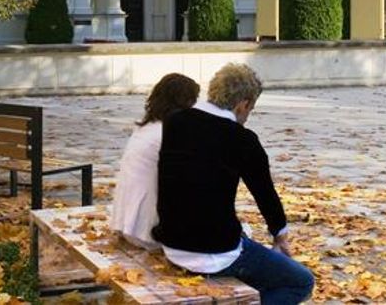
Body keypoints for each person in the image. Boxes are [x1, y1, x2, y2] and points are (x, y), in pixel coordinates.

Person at [152, 63, 314, 305]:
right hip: (215, 251)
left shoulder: (176, 121)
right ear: (244, 104)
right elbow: (265, 195)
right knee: (300, 281)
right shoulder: (242, 139)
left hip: (172, 243)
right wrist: (280, 236)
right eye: (251, 110)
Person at [109, 72, 200, 247]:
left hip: (127, 223)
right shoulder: (169, 134)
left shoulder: (146, 128)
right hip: (148, 231)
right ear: (186, 103)